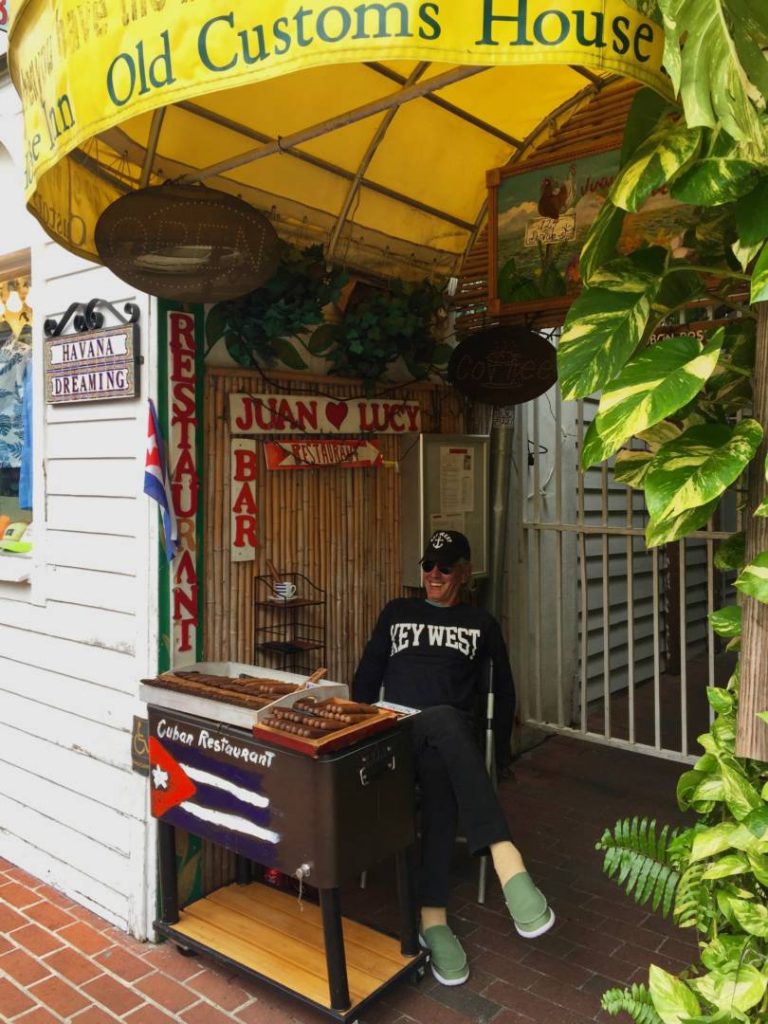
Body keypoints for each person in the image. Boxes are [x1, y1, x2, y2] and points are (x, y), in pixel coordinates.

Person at [352, 529, 554, 986]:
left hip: (449, 736)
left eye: (445, 567)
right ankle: (506, 861)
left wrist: (499, 756)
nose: (434, 575)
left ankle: (434, 919)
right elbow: (366, 679)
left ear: (464, 572)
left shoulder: (481, 624)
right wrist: (358, 737)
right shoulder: (396, 612)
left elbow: (502, 694)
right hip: (396, 733)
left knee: (443, 745)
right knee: (439, 729)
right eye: (428, 566)